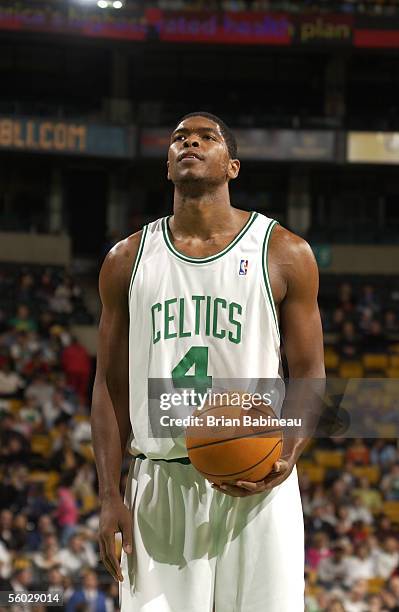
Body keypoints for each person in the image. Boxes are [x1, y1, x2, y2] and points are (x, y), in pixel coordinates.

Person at [91, 112, 325, 611]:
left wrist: (286, 456)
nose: (190, 142)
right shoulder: (126, 260)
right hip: (161, 485)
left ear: (232, 166)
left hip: (257, 485)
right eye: (179, 138)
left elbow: (309, 374)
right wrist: (109, 495)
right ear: (168, 165)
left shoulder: (285, 252)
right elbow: (109, 387)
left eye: (206, 137)